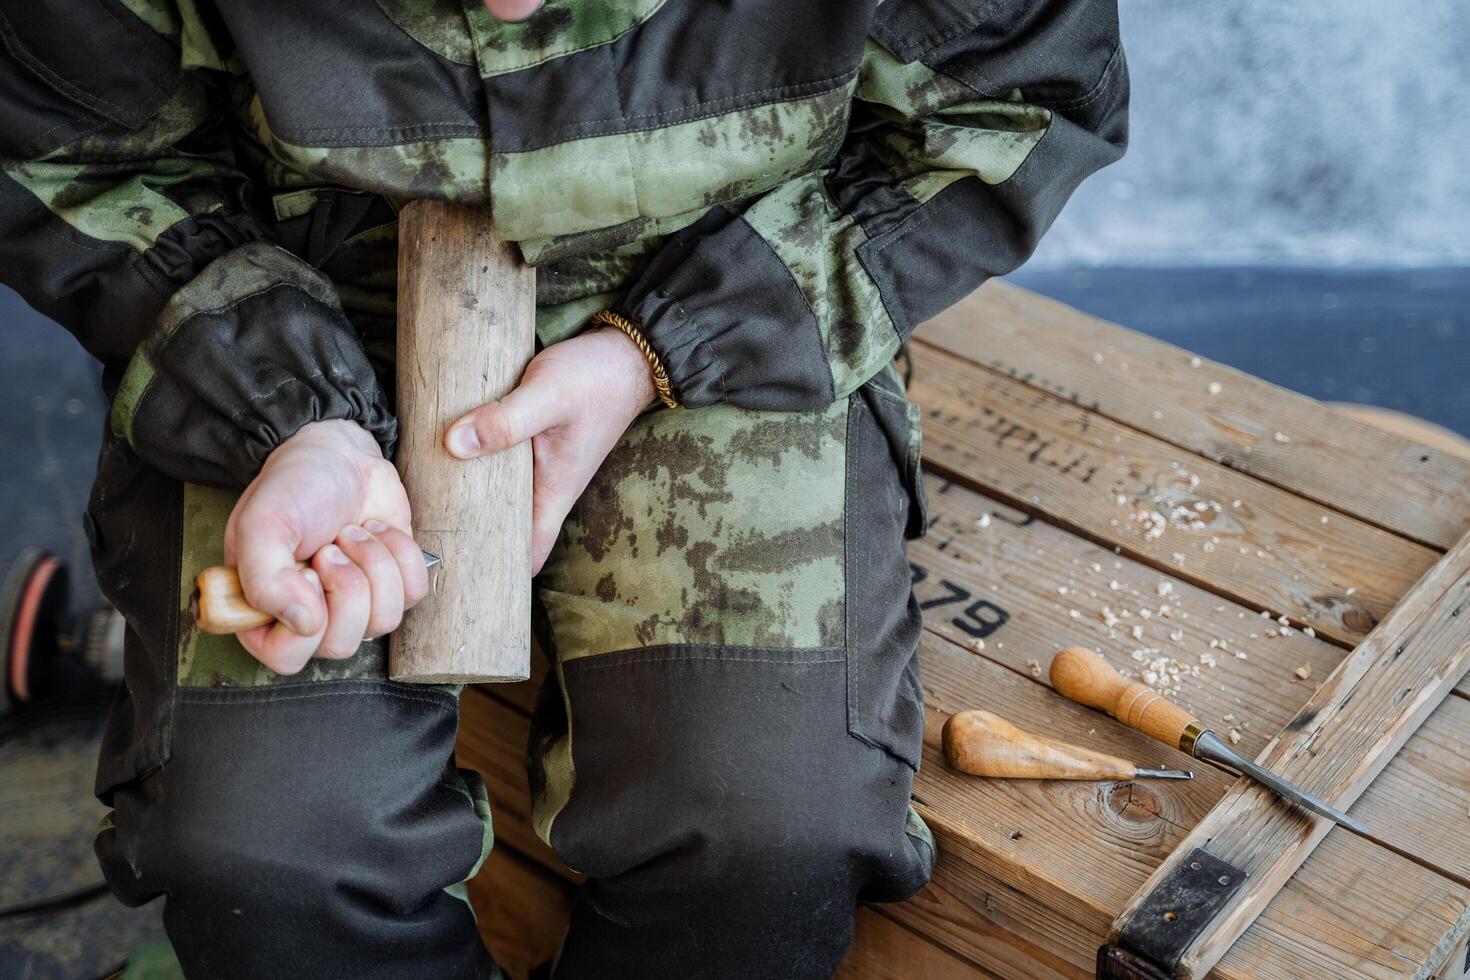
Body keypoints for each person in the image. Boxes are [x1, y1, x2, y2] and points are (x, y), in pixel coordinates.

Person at [0, 0, 1127, 975]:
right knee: (260, 846)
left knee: (767, 831)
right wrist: (289, 417)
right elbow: (74, 159)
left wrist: (657, 350)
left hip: (730, 286)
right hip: (294, 309)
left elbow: (1017, 107)